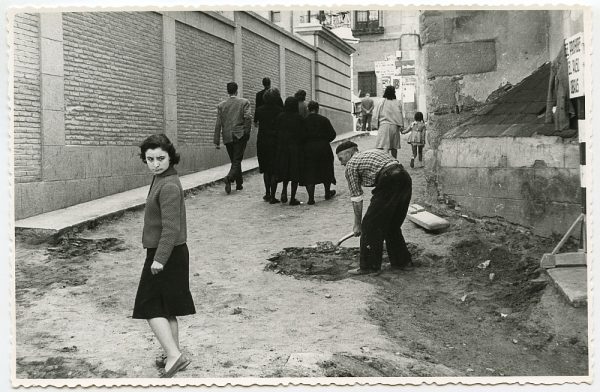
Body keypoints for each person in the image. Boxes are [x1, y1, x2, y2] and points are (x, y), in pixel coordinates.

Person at [133, 134, 196, 378]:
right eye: (150, 159)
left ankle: (174, 355)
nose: (155, 163)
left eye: (160, 158)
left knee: (149, 306)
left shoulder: (168, 185)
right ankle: (174, 352)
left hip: (165, 253)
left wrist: (159, 259)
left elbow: (171, 228)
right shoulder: (162, 178)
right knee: (166, 307)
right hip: (168, 251)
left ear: (171, 157)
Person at [335, 140, 413, 275]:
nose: (342, 163)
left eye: (341, 159)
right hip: (404, 178)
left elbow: (356, 198)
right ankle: (403, 262)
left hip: (388, 179)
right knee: (391, 225)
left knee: (369, 225)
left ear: (349, 153)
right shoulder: (371, 153)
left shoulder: (352, 164)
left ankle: (369, 267)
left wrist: (358, 225)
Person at [214, 82, 252, 194]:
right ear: (237, 90)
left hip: (227, 136)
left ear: (227, 91)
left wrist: (216, 141)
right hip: (239, 135)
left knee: (234, 160)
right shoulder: (244, 102)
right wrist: (247, 132)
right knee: (237, 160)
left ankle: (239, 184)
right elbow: (248, 118)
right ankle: (229, 178)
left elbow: (218, 123)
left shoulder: (221, 105)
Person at [303, 100, 337, 205]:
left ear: (308, 109)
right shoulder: (324, 120)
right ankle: (327, 192)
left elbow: (300, 136)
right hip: (323, 148)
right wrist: (324, 141)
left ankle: (311, 198)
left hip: (308, 149)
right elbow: (333, 134)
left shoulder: (304, 121)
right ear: (317, 109)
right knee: (326, 170)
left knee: (309, 172)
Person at [254, 87, 284, 203]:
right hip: (275, 142)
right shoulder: (280, 110)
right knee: (274, 169)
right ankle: (272, 195)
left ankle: (267, 193)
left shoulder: (259, 110)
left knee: (266, 169)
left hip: (262, 141)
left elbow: (256, 123)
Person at [275, 96, 306, 206]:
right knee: (294, 173)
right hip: (295, 149)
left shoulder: (280, 117)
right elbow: (303, 135)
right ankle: (292, 197)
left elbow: (276, 132)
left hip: (283, 148)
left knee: (285, 171)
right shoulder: (299, 118)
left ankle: (284, 191)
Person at [372, 85, 404, 159]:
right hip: (394, 126)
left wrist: (375, 125)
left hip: (384, 126)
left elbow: (376, 114)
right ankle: (394, 162)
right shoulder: (397, 102)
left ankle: (384, 162)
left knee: (383, 146)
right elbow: (400, 114)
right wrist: (401, 126)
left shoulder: (381, 101)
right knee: (394, 147)